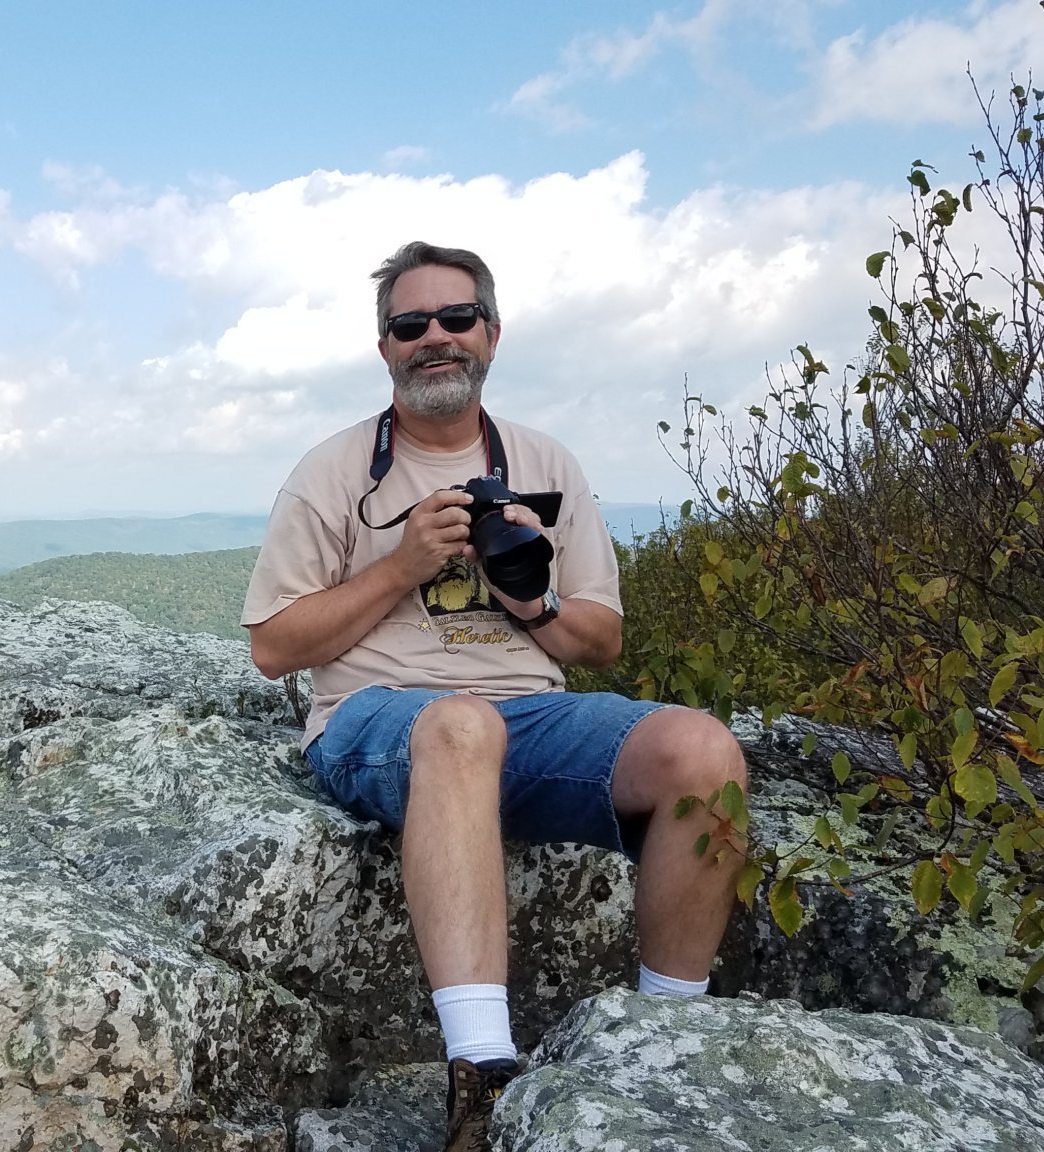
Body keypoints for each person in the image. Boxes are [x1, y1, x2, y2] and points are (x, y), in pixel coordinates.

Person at [241, 241, 749, 1151]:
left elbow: (602, 638)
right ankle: (482, 1079)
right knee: (461, 726)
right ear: (386, 347)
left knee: (704, 753)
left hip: (531, 717)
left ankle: (667, 1037)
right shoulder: (335, 472)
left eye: (456, 318)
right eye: (411, 324)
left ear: (492, 333)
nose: (435, 337)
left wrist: (532, 597)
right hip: (379, 716)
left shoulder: (546, 460)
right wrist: (403, 565)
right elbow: (273, 647)